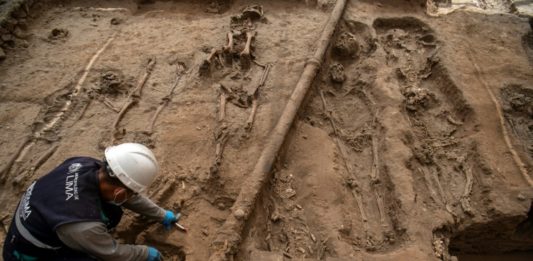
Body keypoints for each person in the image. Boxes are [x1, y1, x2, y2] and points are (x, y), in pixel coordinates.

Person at [2, 143, 179, 261]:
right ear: (119, 191)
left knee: (111, 211)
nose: (132, 197)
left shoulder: (86, 164)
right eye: (131, 193)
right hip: (28, 255)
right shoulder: (83, 225)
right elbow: (112, 253)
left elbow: (129, 194)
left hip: (41, 221)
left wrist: (161, 215)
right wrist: (145, 253)